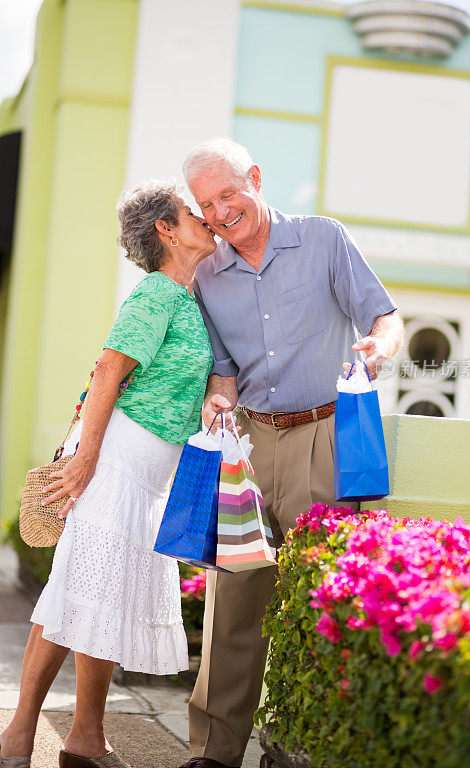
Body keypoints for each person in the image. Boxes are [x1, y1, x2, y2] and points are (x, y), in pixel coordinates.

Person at [179, 138, 404, 768]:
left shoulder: (322, 240)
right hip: (248, 446)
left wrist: (379, 348)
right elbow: (224, 370)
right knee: (233, 606)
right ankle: (214, 753)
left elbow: (385, 316)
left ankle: (297, 747)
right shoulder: (208, 276)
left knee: (317, 599)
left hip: (320, 439)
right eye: (207, 205)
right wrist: (219, 399)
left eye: (228, 193)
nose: (222, 213)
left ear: (253, 177)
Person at [0, 179, 216, 768]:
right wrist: (89, 455)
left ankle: (86, 738)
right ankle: (20, 731)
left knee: (105, 595)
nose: (206, 220)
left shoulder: (193, 297)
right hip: (116, 456)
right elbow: (107, 370)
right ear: (166, 231)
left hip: (151, 471)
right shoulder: (157, 293)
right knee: (76, 588)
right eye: (192, 215)